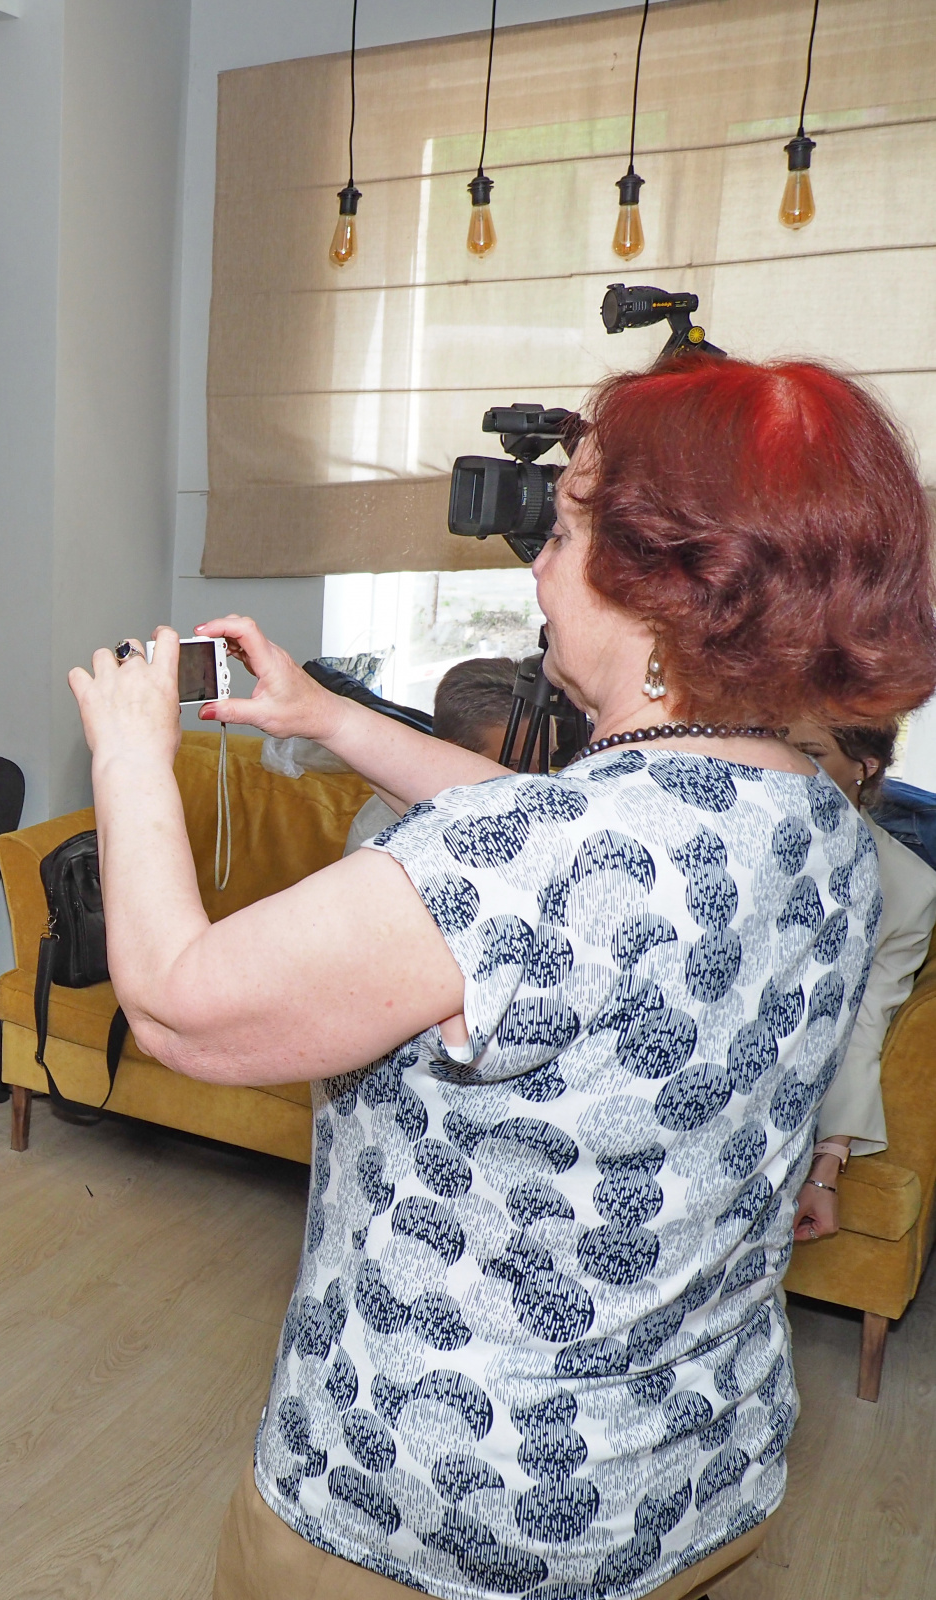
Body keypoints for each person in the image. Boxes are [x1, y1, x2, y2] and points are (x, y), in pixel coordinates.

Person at [69, 357, 936, 1600]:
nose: (537, 566)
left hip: (435, 1527)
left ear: (665, 596)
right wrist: (332, 718)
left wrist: (127, 753)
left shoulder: (537, 862)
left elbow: (175, 1002)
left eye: (567, 532)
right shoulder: (821, 827)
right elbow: (564, 840)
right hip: (692, 1481)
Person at [786, 720, 936, 1243]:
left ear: (865, 767)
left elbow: (865, 1023)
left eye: (809, 752)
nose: (788, 764)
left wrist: (826, 1166)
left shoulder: (909, 886)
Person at [344, 656, 518, 851]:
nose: (537, 778)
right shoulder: (382, 835)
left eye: (543, 757)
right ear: (454, 754)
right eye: (513, 765)